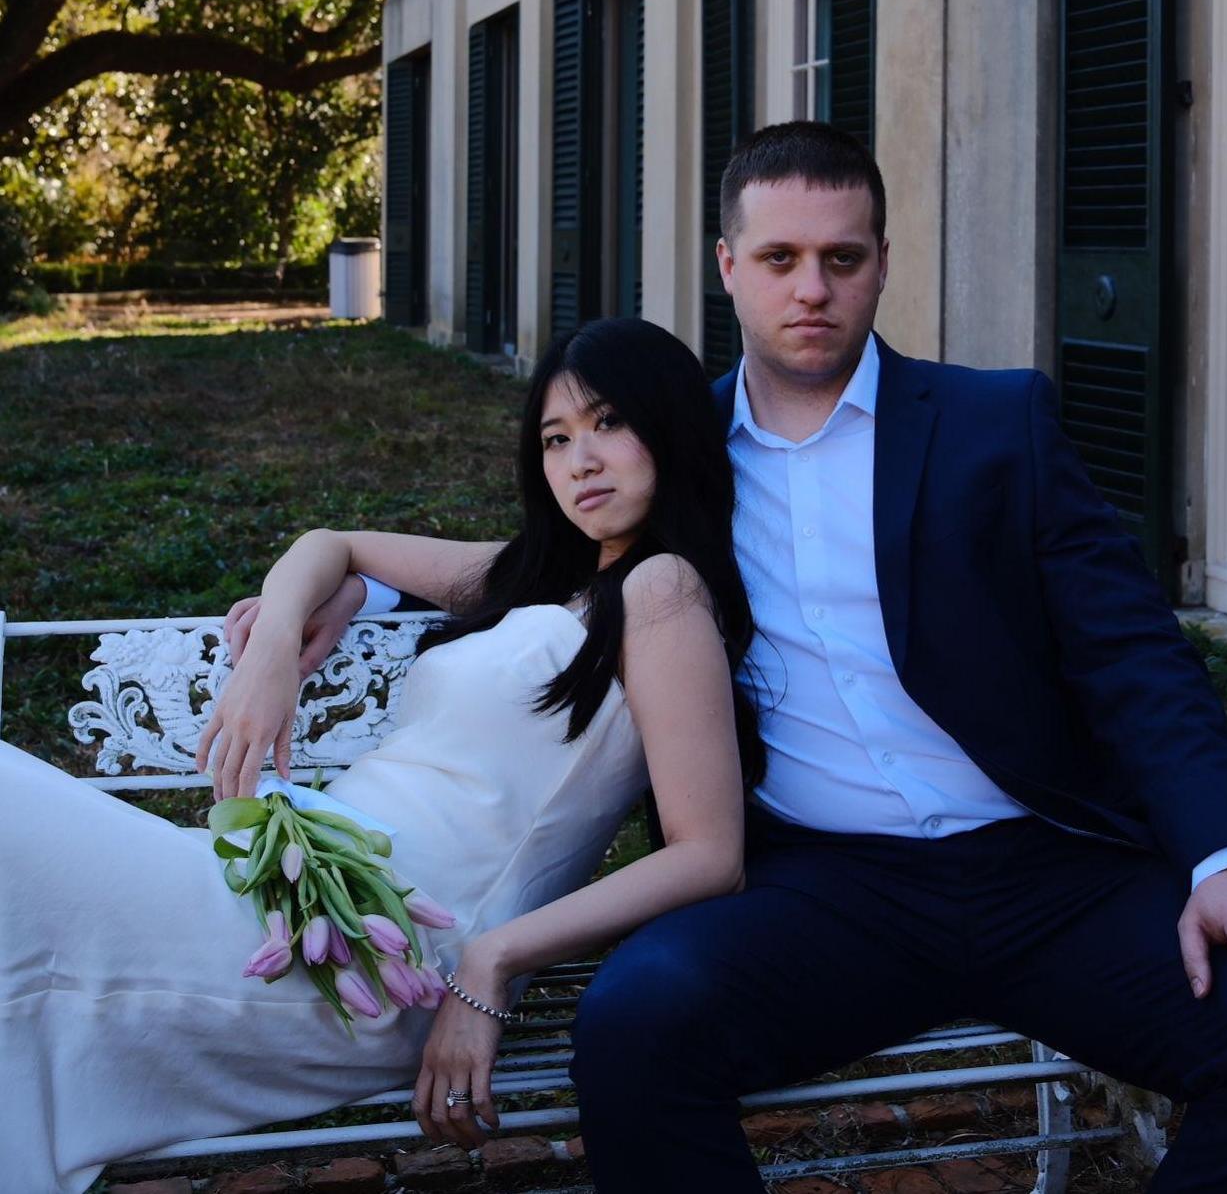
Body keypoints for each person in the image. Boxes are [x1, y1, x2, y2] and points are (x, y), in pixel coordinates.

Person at [353, 124, 1227, 1192]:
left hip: (1047, 873)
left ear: (882, 263)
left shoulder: (994, 424)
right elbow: (535, 566)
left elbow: (1137, 658)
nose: (811, 289)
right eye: (779, 258)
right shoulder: (679, 456)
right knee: (636, 1026)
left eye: (842, 258)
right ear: (729, 266)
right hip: (824, 891)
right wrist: (333, 582)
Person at [0, 317, 763, 1194]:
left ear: (669, 425)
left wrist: (490, 962)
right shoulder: (548, 576)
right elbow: (334, 544)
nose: (580, 461)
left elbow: (711, 855)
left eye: (608, 423)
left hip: (379, 950)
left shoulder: (662, 590)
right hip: (293, 890)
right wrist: (276, 645)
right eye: (556, 439)